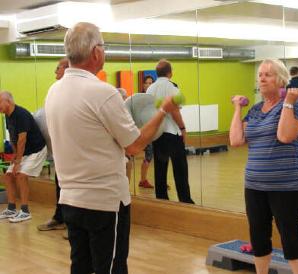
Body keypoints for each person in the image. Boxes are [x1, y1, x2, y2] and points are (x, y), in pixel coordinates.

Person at [44, 22, 178, 274]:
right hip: (103, 204)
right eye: (103, 47)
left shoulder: (53, 92)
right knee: (112, 268)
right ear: (96, 52)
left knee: (80, 266)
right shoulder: (102, 93)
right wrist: (162, 111)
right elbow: (135, 145)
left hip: (70, 201)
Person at [230, 59, 298, 274]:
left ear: (281, 80)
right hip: (254, 185)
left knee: (291, 237)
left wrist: (289, 101)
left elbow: (284, 135)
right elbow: (236, 140)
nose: (262, 78)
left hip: (287, 185)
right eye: (260, 74)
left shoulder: (296, 106)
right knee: (258, 235)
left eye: (268, 74)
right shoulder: (255, 110)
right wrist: (237, 107)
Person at [147, 59, 194, 204]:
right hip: (172, 133)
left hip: (157, 133)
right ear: (170, 73)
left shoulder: (150, 89)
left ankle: (161, 198)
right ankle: (185, 199)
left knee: (160, 168)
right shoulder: (173, 87)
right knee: (180, 168)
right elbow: (175, 112)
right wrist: (183, 128)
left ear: (157, 73)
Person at [0, 92, 47, 223]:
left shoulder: (21, 114)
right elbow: (13, 139)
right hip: (24, 151)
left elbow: (22, 139)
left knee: (21, 175)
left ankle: (25, 211)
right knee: (8, 176)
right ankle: (11, 208)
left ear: (8, 101)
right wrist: (15, 156)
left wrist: (18, 162)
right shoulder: (7, 117)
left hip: (36, 150)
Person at [37, 58, 69, 231]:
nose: (55, 71)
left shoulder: (75, 91)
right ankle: (61, 218)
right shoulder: (55, 91)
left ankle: (73, 223)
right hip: (60, 151)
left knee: (70, 188)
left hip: (74, 152)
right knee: (60, 184)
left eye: (57, 68)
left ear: (66, 69)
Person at [139, 75, 155, 188]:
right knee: (148, 155)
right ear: (143, 84)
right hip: (143, 130)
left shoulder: (155, 98)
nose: (148, 85)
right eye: (147, 83)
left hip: (154, 130)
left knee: (151, 155)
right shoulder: (139, 98)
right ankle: (143, 180)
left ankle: (158, 181)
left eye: (151, 83)